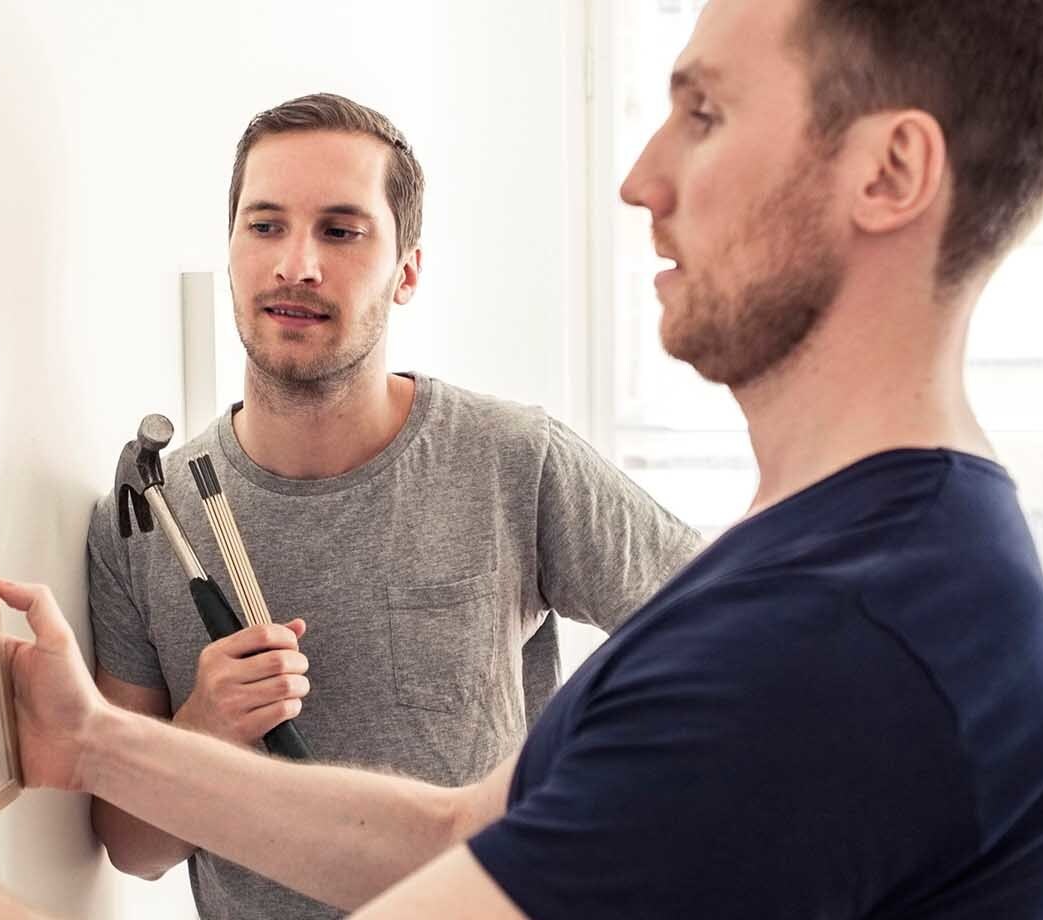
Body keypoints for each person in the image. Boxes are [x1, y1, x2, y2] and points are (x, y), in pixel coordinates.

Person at [0, 0, 1043, 916]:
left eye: (706, 108)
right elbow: (467, 826)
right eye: (262, 224)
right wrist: (107, 741)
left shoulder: (826, 652)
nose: (640, 172)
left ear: (891, 174)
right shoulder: (846, 572)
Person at [84, 92, 700, 919]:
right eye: (264, 225)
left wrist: (586, 813)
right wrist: (202, 731)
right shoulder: (146, 522)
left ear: (406, 269)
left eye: (341, 231)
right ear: (230, 251)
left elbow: (726, 632)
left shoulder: (513, 458)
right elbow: (132, 849)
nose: (295, 264)